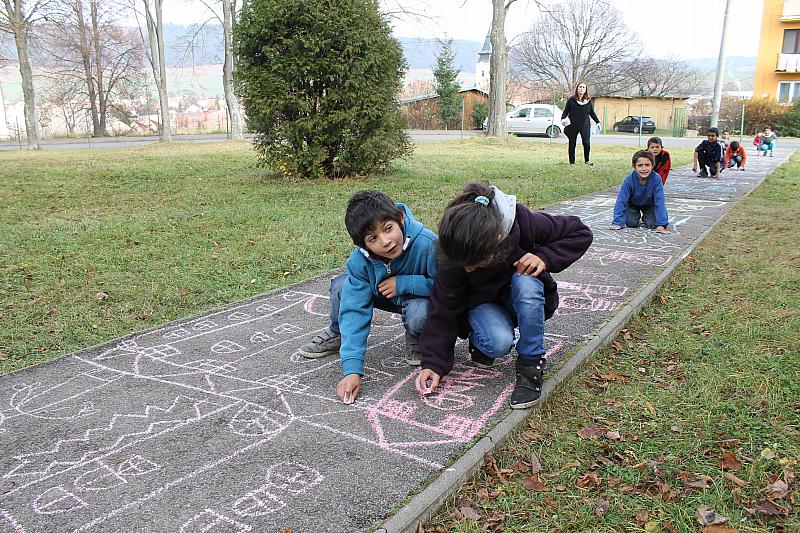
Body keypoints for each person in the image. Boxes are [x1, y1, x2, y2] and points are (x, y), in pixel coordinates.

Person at [414, 182, 593, 409]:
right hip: (482, 304)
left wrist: (544, 257)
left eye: (475, 264)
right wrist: (433, 364)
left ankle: (530, 365)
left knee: (527, 281)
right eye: (464, 265)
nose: (468, 269)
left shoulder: (523, 222)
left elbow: (579, 232)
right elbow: (444, 308)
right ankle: (479, 340)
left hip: (518, 296)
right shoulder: (455, 244)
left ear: (498, 239)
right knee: (498, 343)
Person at [299, 190, 438, 404]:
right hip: (380, 293)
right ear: (363, 245)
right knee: (342, 287)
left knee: (419, 313)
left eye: (388, 229)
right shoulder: (359, 262)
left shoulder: (428, 243)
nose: (386, 241)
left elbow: (446, 286)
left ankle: (417, 334)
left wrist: (405, 283)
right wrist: (352, 370)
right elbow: (354, 310)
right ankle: (338, 332)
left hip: (417, 297)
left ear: (400, 218)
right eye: (373, 238)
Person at [610, 150, 670, 233]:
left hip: (650, 205)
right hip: (632, 205)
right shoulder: (629, 180)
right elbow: (621, 200)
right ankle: (636, 214)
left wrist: (661, 225)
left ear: (652, 165)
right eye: (640, 165)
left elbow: (660, 201)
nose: (644, 169)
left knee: (653, 224)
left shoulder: (656, 179)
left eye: (647, 165)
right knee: (631, 223)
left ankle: (646, 217)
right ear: (634, 166)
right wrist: (617, 222)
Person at [560, 82, 601, 166]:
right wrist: (563, 119)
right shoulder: (571, 100)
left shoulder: (588, 101)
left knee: (586, 143)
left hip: (585, 125)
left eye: (583, 87)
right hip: (573, 125)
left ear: (585, 90)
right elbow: (566, 111)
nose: (581, 89)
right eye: (580, 87)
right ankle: (572, 162)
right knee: (572, 143)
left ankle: (587, 160)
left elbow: (592, 113)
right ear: (577, 89)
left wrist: (597, 122)